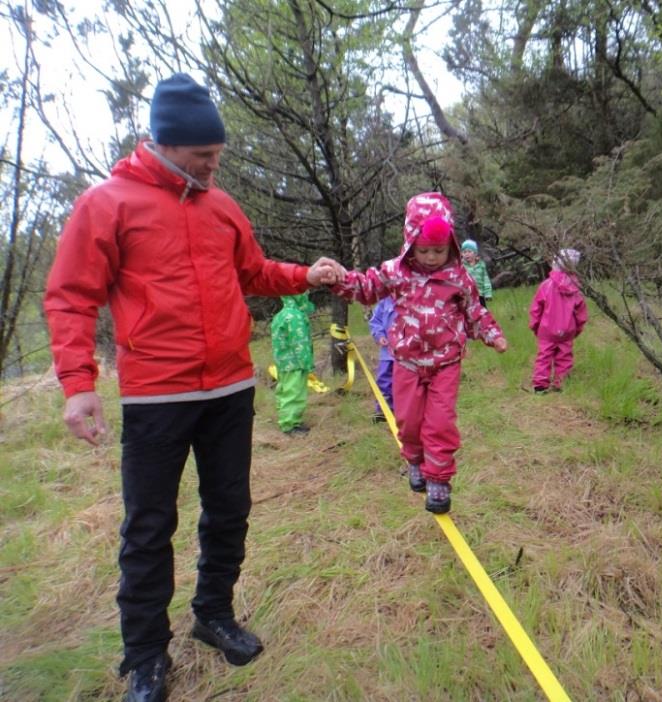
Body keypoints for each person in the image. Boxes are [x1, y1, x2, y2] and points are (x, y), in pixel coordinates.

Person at [43, 73, 344, 702]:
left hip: (230, 389)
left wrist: (306, 274)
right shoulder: (108, 203)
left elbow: (254, 272)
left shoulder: (221, 205)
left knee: (229, 510)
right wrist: (78, 383)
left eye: (217, 155)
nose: (213, 166)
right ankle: (146, 656)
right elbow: (71, 297)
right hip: (157, 395)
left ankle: (213, 615)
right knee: (149, 526)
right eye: (203, 156)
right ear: (167, 144)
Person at [330, 192, 508, 514]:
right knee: (408, 421)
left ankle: (438, 479)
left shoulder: (458, 276)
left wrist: (492, 334)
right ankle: (414, 459)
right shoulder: (396, 271)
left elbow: (474, 312)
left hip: (445, 364)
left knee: (439, 423)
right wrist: (340, 281)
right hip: (407, 362)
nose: (430, 257)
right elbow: (368, 288)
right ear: (410, 243)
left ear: (450, 244)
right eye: (423, 250)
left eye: (438, 250)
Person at [529, 248, 588, 394]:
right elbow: (581, 313)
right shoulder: (576, 288)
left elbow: (536, 309)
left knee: (544, 356)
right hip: (568, 330)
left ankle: (540, 385)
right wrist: (577, 329)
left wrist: (535, 325)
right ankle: (561, 382)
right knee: (564, 356)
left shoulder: (546, 285)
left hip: (547, 329)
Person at [271, 293, 316, 435]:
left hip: (283, 362)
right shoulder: (295, 316)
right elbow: (299, 341)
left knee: (285, 389)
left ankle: (286, 418)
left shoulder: (281, 315)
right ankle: (290, 425)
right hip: (296, 363)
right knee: (295, 392)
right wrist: (306, 362)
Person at [368, 295, 397, 423]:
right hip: (387, 353)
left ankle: (403, 411)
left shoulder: (411, 297)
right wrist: (379, 335)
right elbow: (375, 321)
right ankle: (384, 411)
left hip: (407, 355)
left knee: (403, 383)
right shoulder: (385, 301)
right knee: (384, 381)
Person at [461, 239, 493, 307]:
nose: (467, 254)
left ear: (475, 253)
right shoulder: (462, 266)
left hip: (480, 294)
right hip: (467, 295)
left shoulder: (481, 266)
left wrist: (488, 294)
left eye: (469, 251)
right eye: (464, 252)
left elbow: (486, 280)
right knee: (469, 313)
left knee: (482, 312)